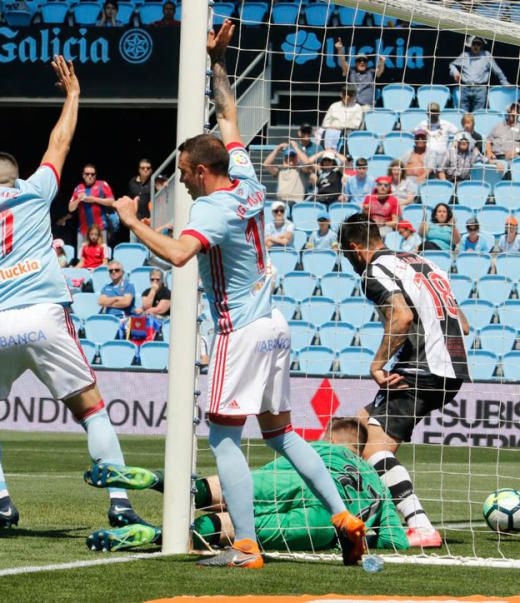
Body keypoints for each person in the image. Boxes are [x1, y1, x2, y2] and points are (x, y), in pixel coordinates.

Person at [111, 22, 365, 568]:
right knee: (281, 435)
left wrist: (132, 221)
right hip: (274, 325)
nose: (178, 179)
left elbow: (178, 256)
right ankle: (344, 517)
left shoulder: (210, 208)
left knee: (224, 436)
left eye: (181, 172)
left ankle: (245, 544)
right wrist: (218, 63)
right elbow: (228, 116)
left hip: (241, 330)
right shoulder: (246, 176)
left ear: (201, 172)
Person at [0, 56, 149, 538]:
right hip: (45, 314)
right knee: (90, 408)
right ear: (14, 176)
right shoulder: (36, 188)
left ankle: (2, 503)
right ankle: (120, 504)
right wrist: (72, 95)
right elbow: (60, 141)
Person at [338, 213, 470, 549]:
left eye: (346, 255)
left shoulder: (374, 271)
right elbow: (464, 324)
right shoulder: (422, 262)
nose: (350, 263)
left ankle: (419, 525)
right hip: (451, 364)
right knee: (353, 429)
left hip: (422, 367)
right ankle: (359, 514)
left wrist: (378, 364)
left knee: (374, 451)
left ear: (355, 249)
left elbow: (402, 315)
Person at [85, 418, 409, 554]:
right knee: (236, 531)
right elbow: (398, 543)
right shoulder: (374, 482)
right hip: (327, 523)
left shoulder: (315, 449)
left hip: (297, 477)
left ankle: (155, 479)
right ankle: (158, 535)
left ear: (329, 437)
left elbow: (280, 466)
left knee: (224, 494)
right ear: (360, 448)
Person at [450, 36, 509, 113]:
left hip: (480, 89)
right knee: (463, 113)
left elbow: (497, 71)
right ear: (470, 44)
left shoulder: (487, 55)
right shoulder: (464, 55)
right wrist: (455, 73)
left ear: (481, 45)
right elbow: (452, 65)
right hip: (465, 88)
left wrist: (505, 83)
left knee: (477, 114)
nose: (476, 46)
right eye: (474, 43)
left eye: (478, 44)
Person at [68, 163, 116, 247]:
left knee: (102, 257)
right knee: (82, 258)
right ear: (83, 175)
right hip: (83, 230)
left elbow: (112, 202)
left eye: (93, 174)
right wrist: (79, 199)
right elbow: (70, 208)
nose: (90, 176)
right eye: (87, 174)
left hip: (100, 229)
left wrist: (94, 199)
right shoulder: (78, 188)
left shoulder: (102, 184)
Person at [335, 42, 385, 107]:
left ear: (367, 63)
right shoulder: (350, 72)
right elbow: (343, 62)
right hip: (352, 105)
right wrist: (340, 50)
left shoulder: (372, 73)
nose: (362, 62)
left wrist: (382, 62)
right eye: (359, 60)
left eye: (364, 60)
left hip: (366, 106)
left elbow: (380, 70)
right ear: (356, 63)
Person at [415, 103, 458, 169]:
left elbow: (458, 132)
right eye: (431, 111)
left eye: (435, 112)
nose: (432, 114)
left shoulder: (446, 124)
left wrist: (454, 142)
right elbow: (413, 133)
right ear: (427, 113)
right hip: (427, 157)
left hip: (442, 157)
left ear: (439, 113)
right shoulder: (422, 124)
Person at [321, 86, 365, 150]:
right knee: (327, 132)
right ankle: (329, 153)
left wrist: (339, 127)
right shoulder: (334, 106)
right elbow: (325, 123)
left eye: (350, 94)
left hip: (348, 133)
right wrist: (333, 128)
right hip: (331, 132)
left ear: (353, 96)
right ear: (341, 95)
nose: (347, 97)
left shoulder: (357, 107)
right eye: (345, 94)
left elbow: (356, 125)